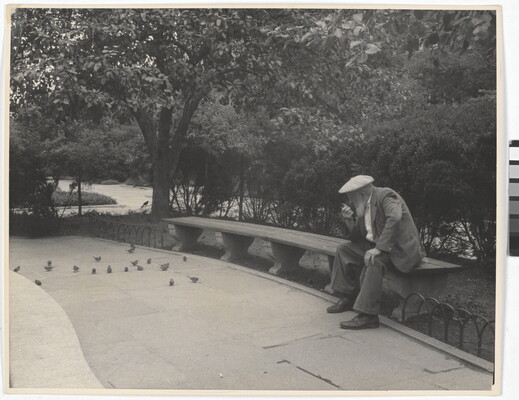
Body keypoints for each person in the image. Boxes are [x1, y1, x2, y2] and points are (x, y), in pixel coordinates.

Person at [327, 175, 425, 330]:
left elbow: (395, 218)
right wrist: (350, 220)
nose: (350, 201)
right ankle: (349, 297)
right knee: (343, 250)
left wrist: (379, 249)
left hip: (399, 250)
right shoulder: (364, 205)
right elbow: (357, 237)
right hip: (378, 246)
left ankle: (368, 316)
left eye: (351, 197)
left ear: (361, 193)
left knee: (374, 261)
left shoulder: (386, 195)